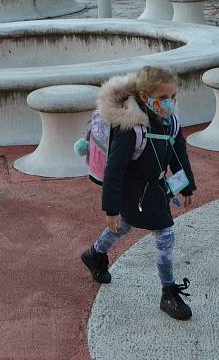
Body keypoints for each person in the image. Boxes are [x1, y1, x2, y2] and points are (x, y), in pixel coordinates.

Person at [80, 66, 196, 321]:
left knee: (123, 227)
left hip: (155, 189)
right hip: (131, 191)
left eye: (173, 96)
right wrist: (110, 208)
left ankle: (95, 254)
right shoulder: (131, 127)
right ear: (145, 97)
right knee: (164, 234)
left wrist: (186, 186)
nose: (169, 102)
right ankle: (168, 292)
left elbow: (178, 155)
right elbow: (114, 170)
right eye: (163, 97)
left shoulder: (170, 121)